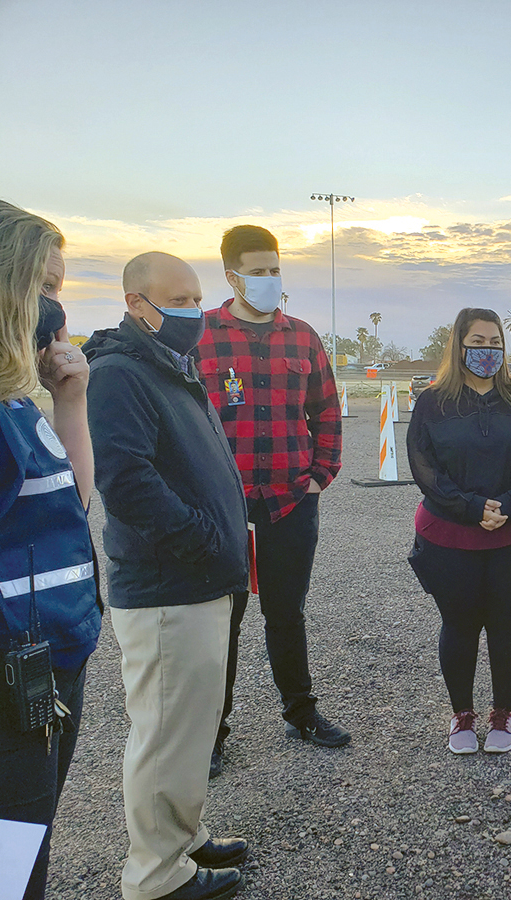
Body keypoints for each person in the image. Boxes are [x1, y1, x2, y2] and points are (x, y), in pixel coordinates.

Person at [84, 252, 249, 900]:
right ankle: (156, 877)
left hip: (199, 583)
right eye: (175, 298)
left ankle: (183, 836)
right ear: (135, 304)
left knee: (189, 728)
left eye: (195, 296)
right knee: (164, 734)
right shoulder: (120, 374)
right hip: (167, 588)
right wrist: (202, 538)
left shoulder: (169, 367)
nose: (192, 311)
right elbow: (125, 479)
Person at [195, 225, 346, 778]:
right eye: (257, 271)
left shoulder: (302, 337)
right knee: (223, 619)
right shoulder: (202, 336)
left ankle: (300, 713)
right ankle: (212, 732)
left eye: (274, 269)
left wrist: (319, 475)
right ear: (231, 275)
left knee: (286, 612)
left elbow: (326, 411)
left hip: (289, 499)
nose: (268, 280)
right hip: (223, 506)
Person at [0, 199, 101, 900]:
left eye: (60, 288)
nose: (55, 310)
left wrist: (71, 403)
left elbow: (74, 505)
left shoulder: (16, 402)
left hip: (53, 660)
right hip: (5, 673)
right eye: (43, 287)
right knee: (8, 858)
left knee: (30, 839)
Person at [406, 308, 511, 755]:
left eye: (494, 342)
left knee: (507, 624)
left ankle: (503, 714)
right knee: (460, 625)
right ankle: (462, 715)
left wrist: (508, 505)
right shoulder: (433, 403)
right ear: (458, 344)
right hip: (450, 535)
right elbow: (422, 463)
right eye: (477, 341)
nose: (487, 350)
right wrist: (469, 507)